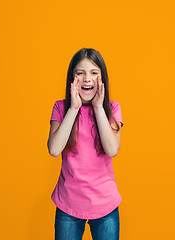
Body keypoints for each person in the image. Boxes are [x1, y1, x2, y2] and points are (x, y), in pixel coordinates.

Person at [47, 48, 123, 240]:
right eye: (80, 73)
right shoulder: (61, 107)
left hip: (105, 205)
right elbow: (54, 149)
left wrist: (98, 107)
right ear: (72, 80)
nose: (87, 78)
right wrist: (73, 108)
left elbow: (112, 149)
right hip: (68, 205)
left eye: (94, 72)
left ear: (102, 78)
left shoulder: (112, 108)